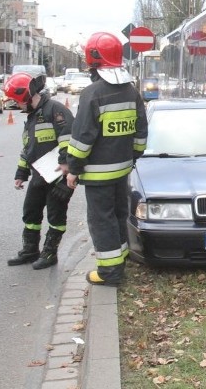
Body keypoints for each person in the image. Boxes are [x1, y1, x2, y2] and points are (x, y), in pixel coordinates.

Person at [66, 32, 147, 286]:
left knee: (102, 220)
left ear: (93, 59)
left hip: (98, 175)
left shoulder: (92, 94)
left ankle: (110, 272)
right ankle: (121, 258)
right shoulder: (131, 92)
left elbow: (81, 139)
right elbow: (141, 133)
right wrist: (132, 157)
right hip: (123, 170)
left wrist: (73, 169)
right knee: (118, 215)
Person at [3, 72, 76, 269]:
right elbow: (28, 149)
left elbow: (68, 139)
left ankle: (50, 253)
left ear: (26, 96)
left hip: (58, 176)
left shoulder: (56, 110)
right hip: (39, 174)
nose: (17, 106)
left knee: (56, 215)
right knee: (31, 212)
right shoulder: (32, 117)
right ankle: (30, 250)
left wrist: (66, 166)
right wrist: (21, 174)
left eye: (17, 102)